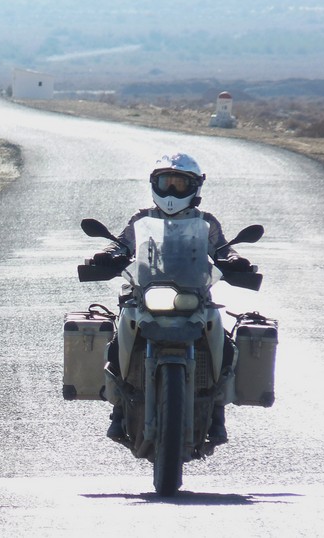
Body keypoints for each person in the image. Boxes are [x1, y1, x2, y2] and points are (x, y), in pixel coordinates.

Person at [92, 152, 252, 444]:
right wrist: (108, 254)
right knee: (115, 344)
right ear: (154, 185)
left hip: (194, 297)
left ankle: (217, 412)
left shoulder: (206, 221)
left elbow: (223, 250)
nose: (172, 191)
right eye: (166, 183)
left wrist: (236, 260)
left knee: (226, 347)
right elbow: (123, 244)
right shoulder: (142, 218)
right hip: (144, 294)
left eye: (180, 185)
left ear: (195, 187)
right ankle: (118, 409)